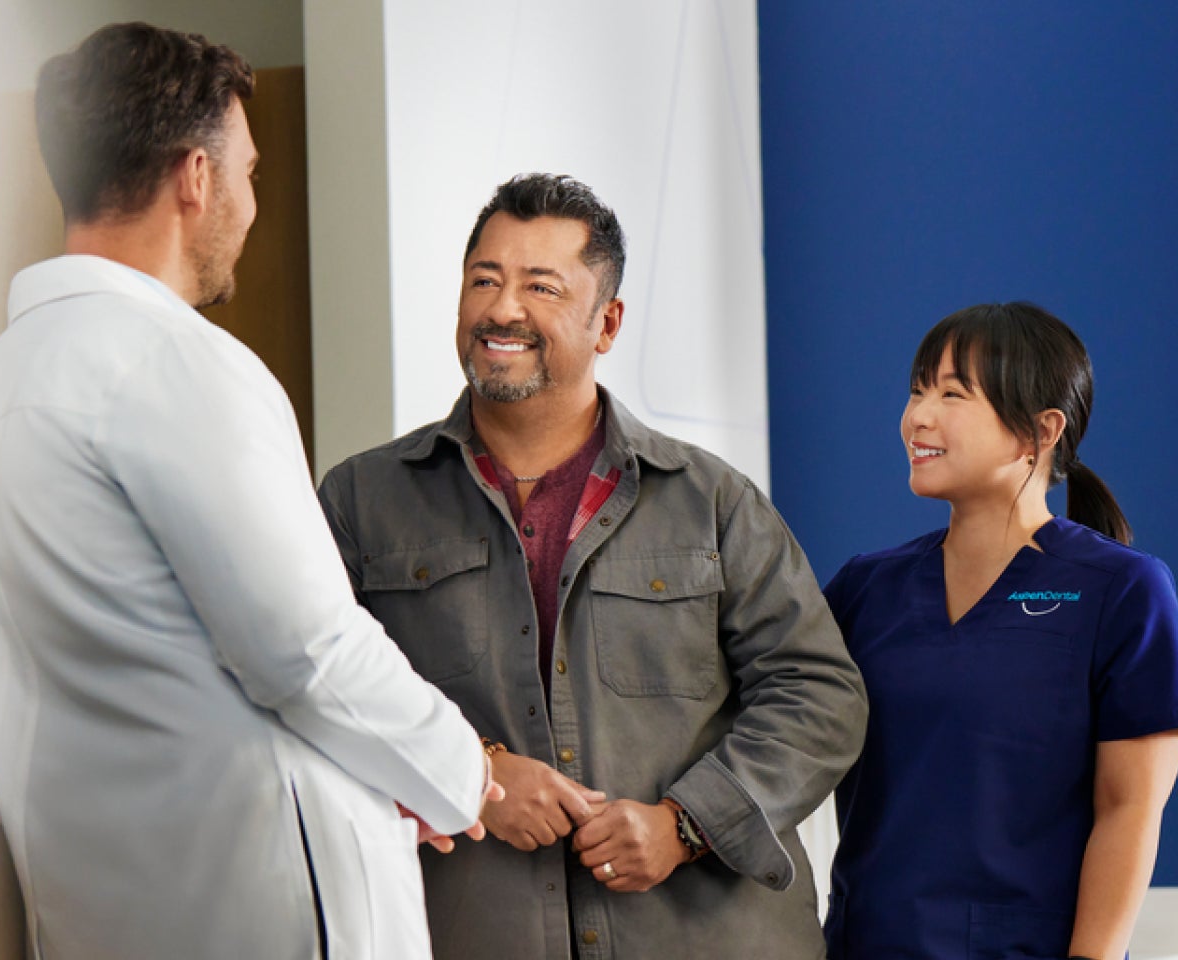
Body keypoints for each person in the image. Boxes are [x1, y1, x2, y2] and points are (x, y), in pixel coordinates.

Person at [0, 22, 498, 960]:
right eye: (250, 173)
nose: (251, 204)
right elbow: (305, 652)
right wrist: (459, 770)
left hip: (105, 916)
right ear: (196, 177)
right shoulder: (174, 364)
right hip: (268, 918)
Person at [317, 173, 867, 959]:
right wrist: (473, 770)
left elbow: (821, 695)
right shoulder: (361, 500)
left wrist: (687, 824)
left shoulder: (712, 500)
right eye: (484, 281)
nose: (503, 309)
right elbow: (314, 690)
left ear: (606, 323)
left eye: (541, 286)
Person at [822, 303, 1178, 960]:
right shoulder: (865, 589)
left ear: (1039, 430)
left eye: (952, 393)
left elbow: (1129, 811)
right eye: (917, 389)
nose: (918, 416)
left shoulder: (1122, 591)